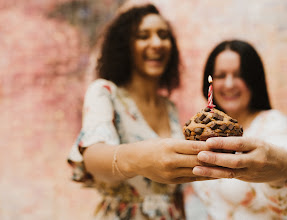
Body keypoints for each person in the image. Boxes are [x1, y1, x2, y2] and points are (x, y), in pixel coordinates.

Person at [67, 4, 211, 220]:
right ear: (125, 46)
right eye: (143, 36)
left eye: (163, 35)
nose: (157, 43)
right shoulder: (105, 93)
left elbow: (174, 190)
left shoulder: (169, 107)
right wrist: (142, 159)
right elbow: (92, 158)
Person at [187, 40, 287, 219]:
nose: (229, 84)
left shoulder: (271, 123)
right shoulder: (203, 130)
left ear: (254, 79)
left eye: (240, 75)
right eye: (221, 76)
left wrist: (282, 166)